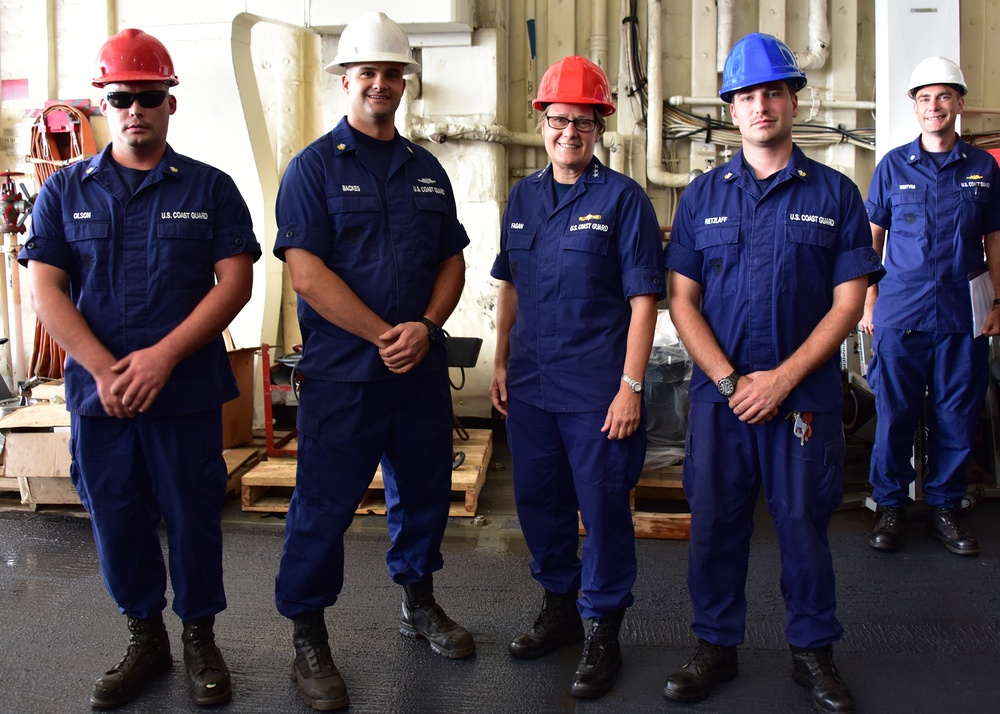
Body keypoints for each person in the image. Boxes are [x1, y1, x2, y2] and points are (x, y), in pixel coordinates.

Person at [22, 28, 260, 709]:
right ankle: (145, 637)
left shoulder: (210, 189)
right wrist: (102, 369)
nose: (135, 110)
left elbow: (234, 283)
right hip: (103, 400)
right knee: (118, 516)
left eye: (148, 97)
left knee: (192, 517)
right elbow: (47, 290)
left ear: (169, 103)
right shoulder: (65, 191)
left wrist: (161, 358)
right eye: (121, 97)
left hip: (182, 391)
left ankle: (199, 636)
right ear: (104, 102)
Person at [662, 33, 883, 713]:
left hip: (803, 401)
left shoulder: (838, 195)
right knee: (716, 525)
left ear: (793, 101)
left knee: (803, 526)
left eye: (773, 93)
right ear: (732, 110)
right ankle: (714, 647)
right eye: (747, 96)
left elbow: (850, 303)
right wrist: (732, 382)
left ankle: (812, 652)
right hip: (721, 402)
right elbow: (681, 300)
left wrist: (781, 380)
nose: (761, 106)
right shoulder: (701, 197)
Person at [272, 11, 473, 712]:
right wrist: (386, 333)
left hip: (416, 374)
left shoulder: (425, 169)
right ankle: (308, 635)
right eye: (369, 73)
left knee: (421, 493)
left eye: (393, 73)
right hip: (345, 377)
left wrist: (425, 326)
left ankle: (417, 601)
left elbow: (452, 259)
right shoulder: (313, 169)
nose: (382, 84)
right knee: (322, 507)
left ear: (405, 82)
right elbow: (307, 273)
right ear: (347, 80)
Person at [489, 55, 664, 700]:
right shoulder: (523, 197)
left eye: (583, 123)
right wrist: (502, 359)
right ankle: (560, 607)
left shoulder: (624, 201)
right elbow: (508, 283)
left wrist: (631, 386)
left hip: (596, 390)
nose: (569, 132)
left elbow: (645, 298)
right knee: (539, 504)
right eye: (559, 119)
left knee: (604, 509)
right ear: (542, 121)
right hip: (533, 385)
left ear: (599, 130)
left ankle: (603, 627)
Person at [862, 56, 1000, 557]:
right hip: (901, 311)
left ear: (959, 104)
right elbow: (871, 240)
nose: (934, 106)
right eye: (925, 98)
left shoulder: (983, 168)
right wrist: (868, 299)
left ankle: (945, 506)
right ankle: (891, 505)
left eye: (944, 96)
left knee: (956, 413)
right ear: (915, 108)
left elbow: (994, 239)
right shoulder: (893, 166)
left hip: (964, 312)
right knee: (896, 412)